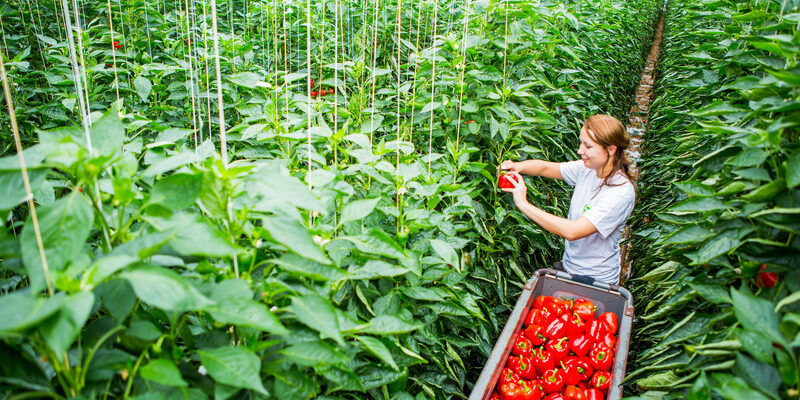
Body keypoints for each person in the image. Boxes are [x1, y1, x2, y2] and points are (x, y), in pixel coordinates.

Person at [499, 114, 636, 285]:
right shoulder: (589, 169)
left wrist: (523, 204)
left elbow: (573, 231)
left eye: (588, 146)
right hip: (570, 268)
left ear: (611, 149)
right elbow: (546, 168)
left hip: (597, 281)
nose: (580, 150)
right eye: (581, 143)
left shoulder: (620, 192)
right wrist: (518, 167)